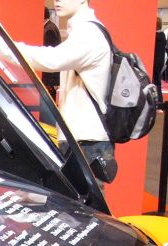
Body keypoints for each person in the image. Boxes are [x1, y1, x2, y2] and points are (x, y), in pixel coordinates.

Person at [13, 0, 115, 183]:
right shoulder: (82, 31)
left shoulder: (88, 34)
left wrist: (2, 45)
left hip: (86, 140)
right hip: (82, 137)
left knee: (83, 207)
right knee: (79, 204)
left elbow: (51, 60)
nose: (57, 1)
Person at [41, 8, 61, 99]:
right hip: (51, 78)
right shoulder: (50, 27)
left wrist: (49, 82)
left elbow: (48, 55)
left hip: (50, 80)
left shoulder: (49, 30)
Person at [154, 17, 166, 107]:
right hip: (160, 61)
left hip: (154, 62)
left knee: (155, 82)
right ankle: (160, 101)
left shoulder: (154, 37)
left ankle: (157, 102)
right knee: (157, 82)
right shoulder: (162, 36)